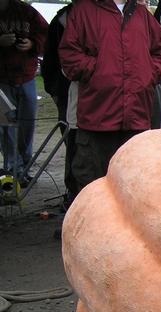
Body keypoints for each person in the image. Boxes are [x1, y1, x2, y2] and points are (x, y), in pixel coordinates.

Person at [59, 0, 161, 191]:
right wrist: (97, 71)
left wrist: (148, 74)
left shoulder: (141, 14)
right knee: (94, 188)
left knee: (133, 187)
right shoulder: (84, 11)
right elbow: (69, 55)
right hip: (97, 119)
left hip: (136, 119)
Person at [0, 0, 48, 187]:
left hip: (26, 77)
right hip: (2, 80)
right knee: (6, 126)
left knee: (27, 124)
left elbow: (46, 34)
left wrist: (32, 43)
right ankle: (13, 169)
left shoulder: (27, 11)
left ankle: (24, 168)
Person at [41, 1, 79, 203]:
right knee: (73, 143)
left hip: (100, 98)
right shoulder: (62, 20)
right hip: (67, 93)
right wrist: (54, 90)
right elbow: (51, 60)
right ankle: (72, 195)